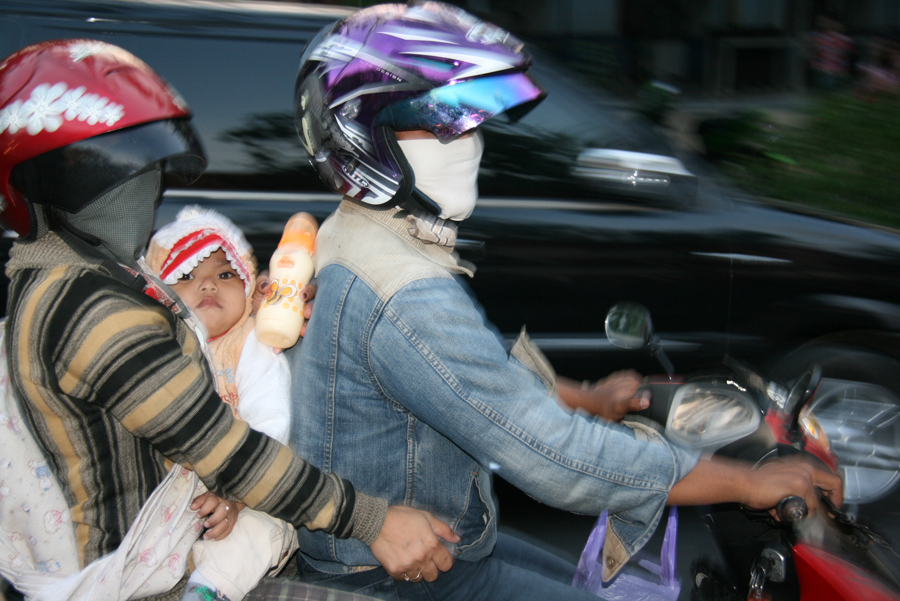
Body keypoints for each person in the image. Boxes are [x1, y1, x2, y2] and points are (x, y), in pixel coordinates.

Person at [288, 4, 844, 600]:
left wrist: (585, 397)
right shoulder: (402, 289)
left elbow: (464, 375)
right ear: (366, 138)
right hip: (393, 574)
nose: (469, 144)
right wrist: (743, 481)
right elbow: (555, 460)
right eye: (444, 124)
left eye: (472, 125)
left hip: (443, 540)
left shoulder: (356, 235)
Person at [0, 38, 458, 601]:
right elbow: (226, 451)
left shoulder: (71, 271)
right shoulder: (88, 312)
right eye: (108, 175)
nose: (143, 195)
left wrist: (260, 316)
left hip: (183, 538)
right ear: (41, 185)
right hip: (154, 581)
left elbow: (188, 332)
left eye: (149, 173)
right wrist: (375, 522)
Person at [145, 206, 299, 601]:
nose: (209, 286)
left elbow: (270, 423)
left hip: (250, 486)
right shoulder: (155, 342)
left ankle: (208, 590)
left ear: (249, 289)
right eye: (187, 275)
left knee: (263, 527)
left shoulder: (251, 346)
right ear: (159, 292)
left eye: (225, 274)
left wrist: (236, 497)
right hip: (177, 491)